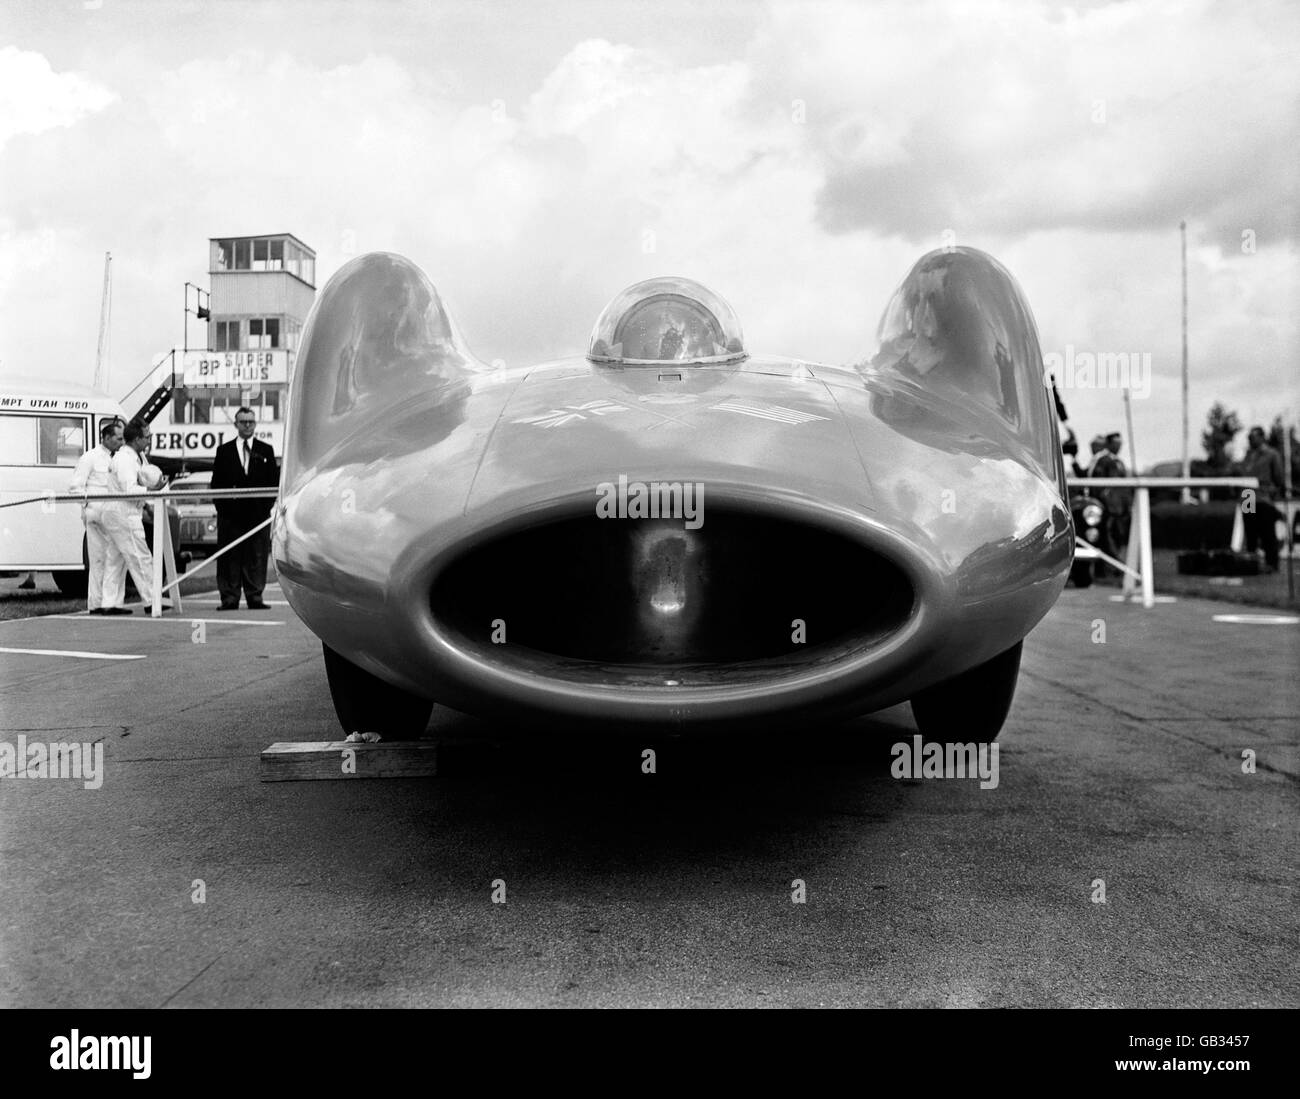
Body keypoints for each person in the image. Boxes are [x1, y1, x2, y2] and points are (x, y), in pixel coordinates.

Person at [210, 407, 278, 610]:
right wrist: (223, 510)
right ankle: (229, 597)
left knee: (256, 556)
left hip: (257, 515)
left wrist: (265, 508)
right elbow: (217, 484)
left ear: (255, 424)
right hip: (231, 516)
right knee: (229, 557)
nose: (247, 425)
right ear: (236, 424)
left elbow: (273, 482)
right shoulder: (224, 451)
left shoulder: (266, 451)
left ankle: (255, 596)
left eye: (251, 422)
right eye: (243, 422)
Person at [104, 418, 166, 613]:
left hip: (122, 511)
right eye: (147, 437)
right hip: (124, 513)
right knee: (140, 557)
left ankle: (110, 603)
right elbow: (129, 489)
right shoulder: (124, 459)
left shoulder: (136, 457)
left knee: (116, 560)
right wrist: (152, 490)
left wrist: (146, 505)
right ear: (137, 439)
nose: (149, 440)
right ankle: (152, 601)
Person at [68, 418, 128, 615]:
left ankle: (112, 603)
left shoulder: (121, 458)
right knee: (98, 560)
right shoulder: (90, 457)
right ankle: (96, 604)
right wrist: (88, 508)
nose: (122, 442)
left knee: (117, 560)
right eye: (118, 438)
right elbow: (75, 487)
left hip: (116, 515)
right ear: (107, 437)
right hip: (97, 514)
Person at [1241, 425, 1285, 571]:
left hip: (1263, 496)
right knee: (1250, 533)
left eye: (1252, 437)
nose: (1250, 440)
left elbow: (1278, 478)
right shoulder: (1248, 456)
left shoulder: (1272, 454)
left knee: (1267, 532)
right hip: (1248, 496)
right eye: (1249, 438)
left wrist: (1272, 492)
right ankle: (1251, 562)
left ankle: (1271, 563)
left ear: (1261, 437)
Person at [1091, 432, 1132, 569]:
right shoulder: (1104, 461)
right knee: (1108, 537)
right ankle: (1113, 566)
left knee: (1119, 536)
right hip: (1109, 508)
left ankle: (1115, 565)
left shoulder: (1118, 462)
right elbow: (1100, 486)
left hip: (1120, 508)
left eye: (1120, 444)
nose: (1119, 446)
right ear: (1109, 444)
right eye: (1116, 443)